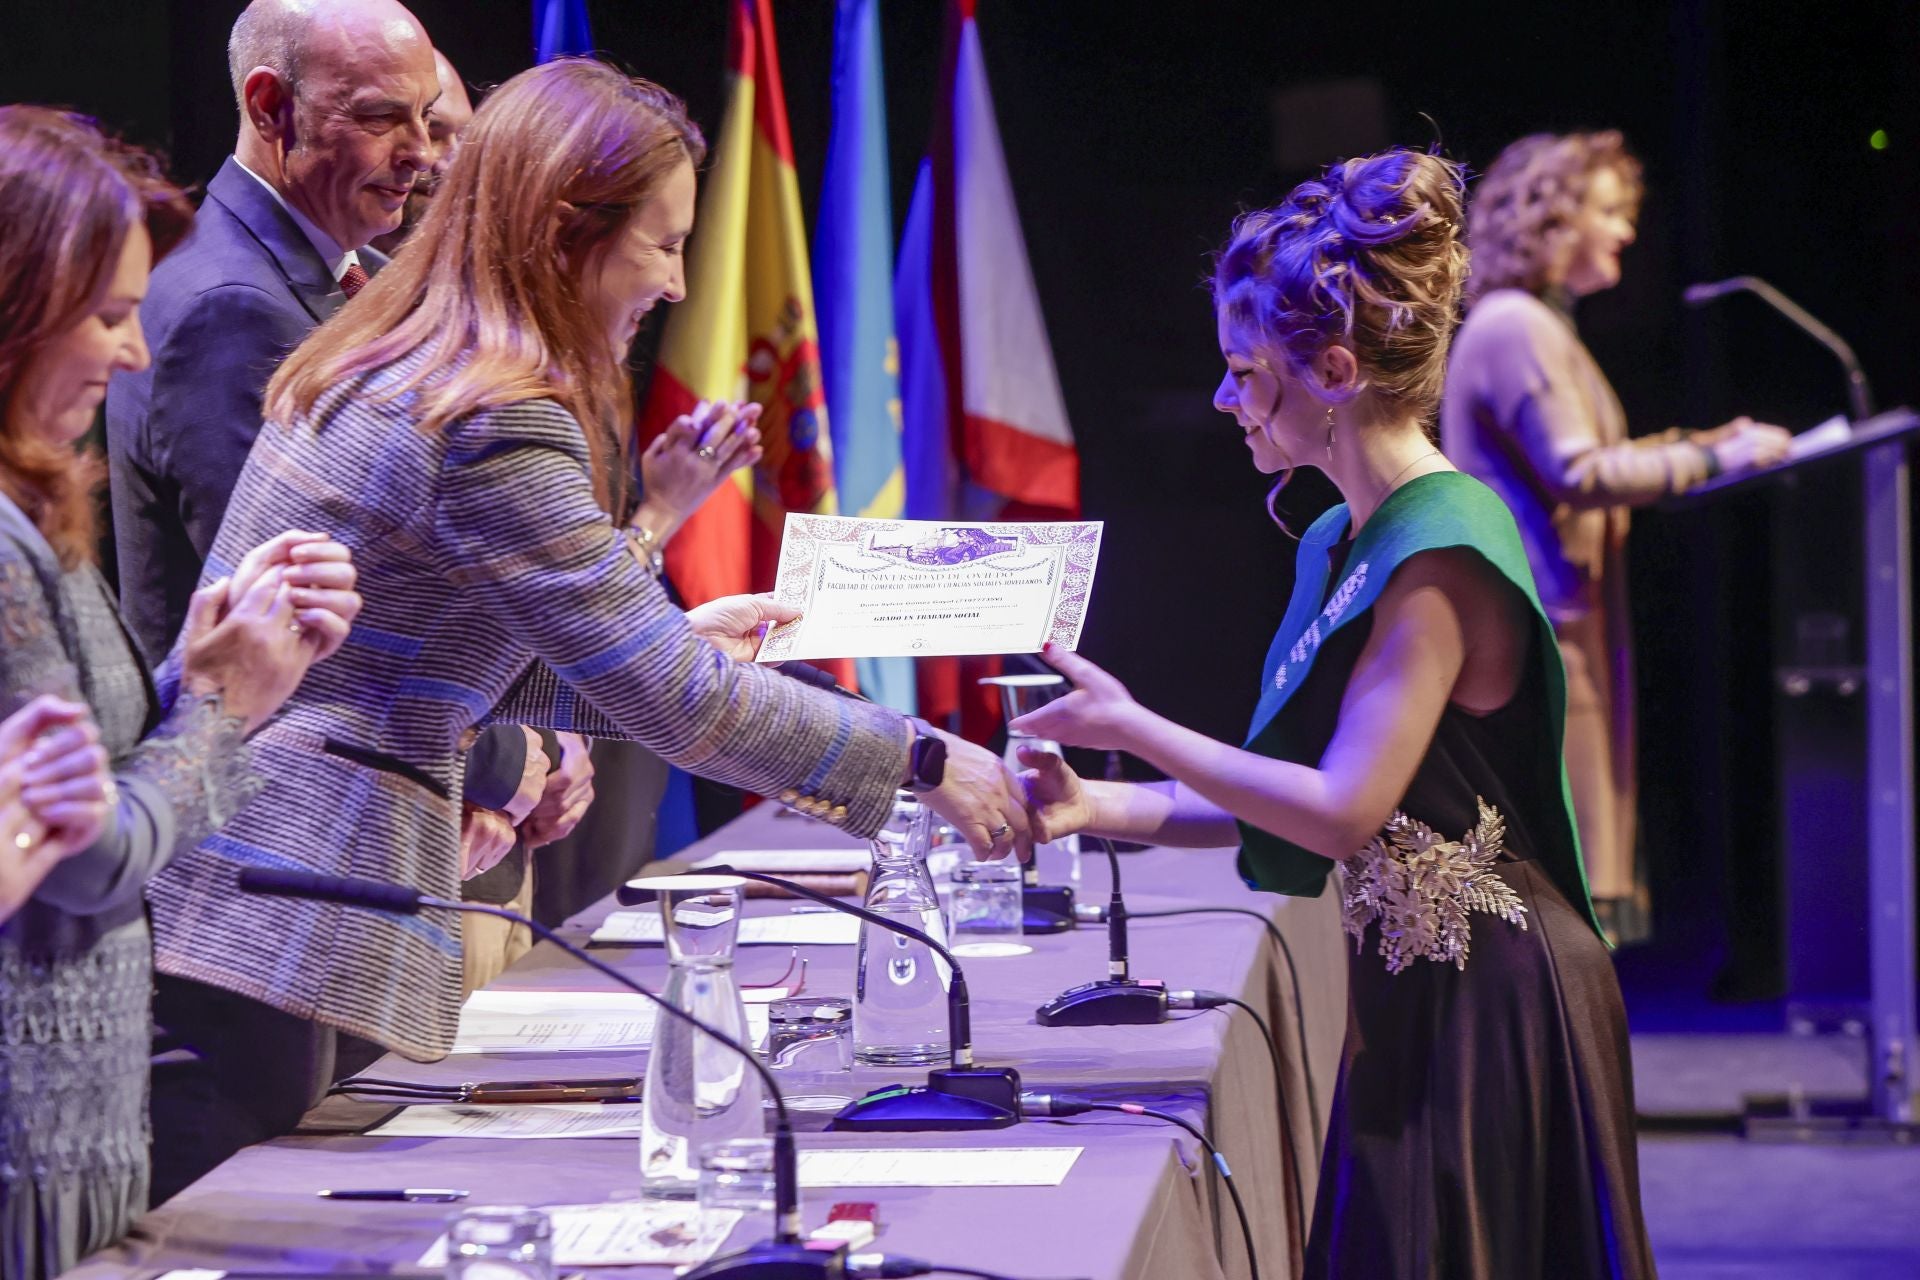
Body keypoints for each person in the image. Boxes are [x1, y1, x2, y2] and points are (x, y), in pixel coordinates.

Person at [142, 56, 1030, 1194]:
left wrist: (669, 646)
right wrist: (917, 754)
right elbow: (668, 700)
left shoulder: (417, 360)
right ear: (568, 227)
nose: (674, 283)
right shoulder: (491, 413)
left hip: (255, 886)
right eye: (662, 243)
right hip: (275, 896)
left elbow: (415, 658)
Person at [1015, 150, 1656, 1277]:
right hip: (1415, 991)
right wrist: (1095, 805)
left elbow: (1342, 810)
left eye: (1243, 370)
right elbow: (1286, 779)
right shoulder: (1335, 538)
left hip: (1498, 1002)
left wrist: (1135, 722)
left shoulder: (1441, 547)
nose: (1223, 400)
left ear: (1337, 368)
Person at [0, 106, 362, 1280]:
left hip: (77, 1151)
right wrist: (227, 705)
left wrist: (202, 663)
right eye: (107, 318)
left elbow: (96, 765)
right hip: (32, 1167)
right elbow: (89, 856)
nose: (134, 355)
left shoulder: (33, 517)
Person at [1440, 131, 1789, 941]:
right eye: (1606, 212)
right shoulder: (1517, 326)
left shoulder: (1535, 326)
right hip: (1544, 641)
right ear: (1550, 221)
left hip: (1567, 633)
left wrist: (1689, 448)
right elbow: (1577, 471)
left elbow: (1585, 462)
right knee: (1555, 898)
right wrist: (1707, 457)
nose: (1625, 232)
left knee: (1570, 892)